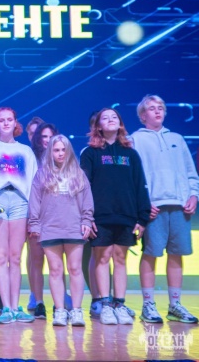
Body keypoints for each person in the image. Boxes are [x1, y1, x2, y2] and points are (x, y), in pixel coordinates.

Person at [131, 95, 199, 324]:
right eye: (152, 108)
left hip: (180, 206)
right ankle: (148, 304)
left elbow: (190, 173)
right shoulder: (135, 140)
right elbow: (134, 177)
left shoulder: (177, 139)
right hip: (154, 207)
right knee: (150, 253)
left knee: (177, 253)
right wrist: (143, 203)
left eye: (160, 107)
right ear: (143, 116)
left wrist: (193, 195)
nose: (157, 111)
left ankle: (175, 305)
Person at [80, 108, 151, 325]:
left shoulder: (131, 154)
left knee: (120, 259)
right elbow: (84, 188)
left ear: (120, 124)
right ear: (98, 126)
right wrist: (87, 217)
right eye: (105, 117)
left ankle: (119, 304)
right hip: (100, 217)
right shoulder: (90, 153)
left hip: (126, 216)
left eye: (114, 117)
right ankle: (105, 305)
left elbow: (140, 185)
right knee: (102, 259)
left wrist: (142, 218)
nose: (110, 120)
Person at [0, 107, 37, 324]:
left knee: (16, 257)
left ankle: (15, 306)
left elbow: (33, 181)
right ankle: (5, 308)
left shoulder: (25, 151)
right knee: (1, 256)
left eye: (9, 119)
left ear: (15, 123)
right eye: (1, 120)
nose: (5, 123)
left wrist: (33, 209)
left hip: (20, 202)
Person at [29, 134, 94, 327]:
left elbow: (87, 200)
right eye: (56, 150)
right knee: (55, 270)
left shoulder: (79, 174)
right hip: (50, 229)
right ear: (50, 152)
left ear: (69, 151)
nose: (60, 153)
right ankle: (59, 310)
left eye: (63, 150)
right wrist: (34, 224)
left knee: (75, 269)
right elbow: (34, 201)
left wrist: (87, 220)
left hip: (74, 228)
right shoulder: (41, 175)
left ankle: (76, 310)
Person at [26, 122, 59, 319]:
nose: (47, 140)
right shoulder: (31, 158)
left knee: (57, 262)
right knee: (37, 260)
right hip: (36, 216)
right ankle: (38, 301)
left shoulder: (64, 159)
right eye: (44, 137)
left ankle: (59, 302)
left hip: (58, 217)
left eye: (50, 136)